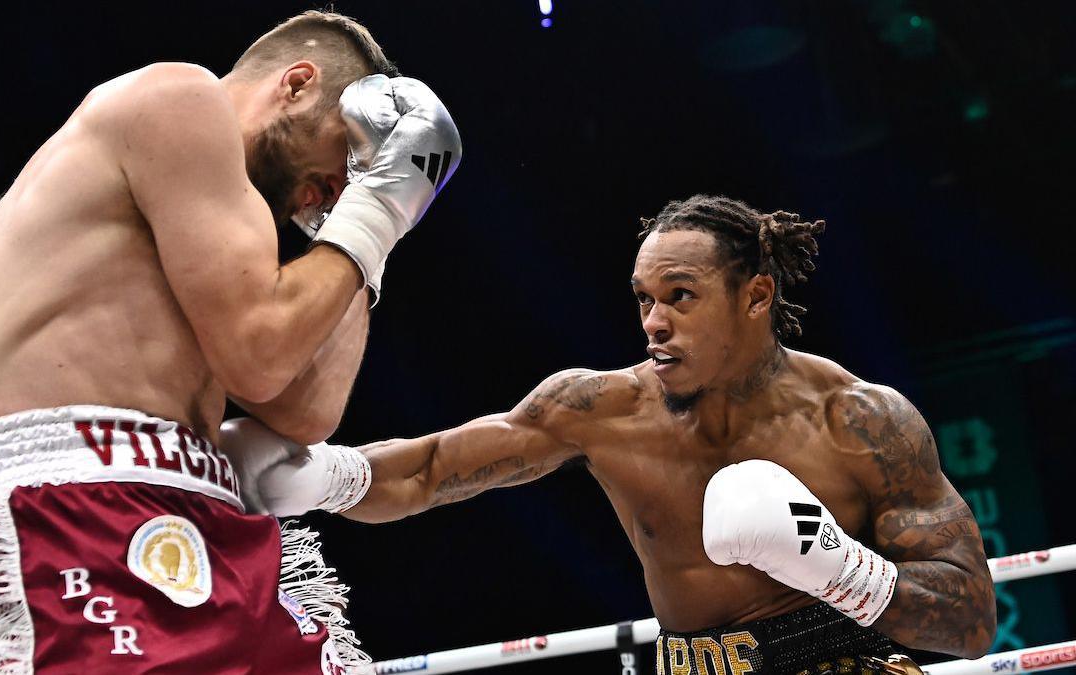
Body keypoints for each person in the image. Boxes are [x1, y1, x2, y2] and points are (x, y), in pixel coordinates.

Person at [225, 196, 996, 675]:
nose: (654, 322)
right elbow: (432, 468)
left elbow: (970, 619)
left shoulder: (862, 421)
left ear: (757, 295)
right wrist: (323, 477)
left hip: (844, 661)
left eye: (681, 297)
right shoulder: (602, 407)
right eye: (643, 299)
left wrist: (841, 568)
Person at [0, 9, 461, 674]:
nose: (340, 188)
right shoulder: (178, 99)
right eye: (342, 155)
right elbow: (261, 359)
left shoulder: (240, 232)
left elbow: (307, 410)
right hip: (85, 503)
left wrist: (364, 217)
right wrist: (378, 204)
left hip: (204, 520)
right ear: (297, 83)